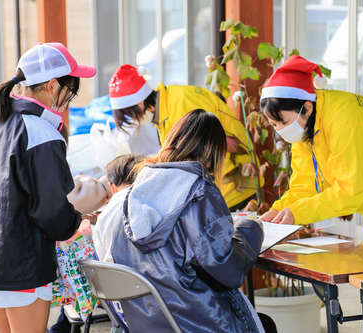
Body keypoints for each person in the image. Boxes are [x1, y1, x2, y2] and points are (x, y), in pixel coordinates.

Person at [0, 42, 96, 333]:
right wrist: (78, 222)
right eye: (70, 88)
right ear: (52, 85)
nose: (70, 96)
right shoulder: (40, 131)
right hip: (20, 259)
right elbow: (50, 210)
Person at [111, 109, 270, 332]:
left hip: (148, 321)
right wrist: (251, 229)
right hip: (193, 320)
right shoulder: (200, 192)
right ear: (215, 154)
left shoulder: (137, 189)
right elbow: (227, 272)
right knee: (266, 324)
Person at [259, 55, 363, 249]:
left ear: (307, 107)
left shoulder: (345, 121)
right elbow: (304, 186)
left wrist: (297, 213)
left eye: (284, 122)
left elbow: (349, 192)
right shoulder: (305, 126)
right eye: (274, 125)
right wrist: (276, 212)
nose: (280, 130)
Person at [108, 64, 261, 209]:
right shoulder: (165, 108)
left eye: (131, 115)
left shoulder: (182, 105)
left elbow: (194, 158)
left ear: (140, 103)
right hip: (216, 185)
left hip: (233, 183)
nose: (135, 120)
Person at [92, 153, 145, 263]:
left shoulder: (105, 215)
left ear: (111, 186)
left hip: (119, 276)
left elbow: (101, 256)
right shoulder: (154, 198)